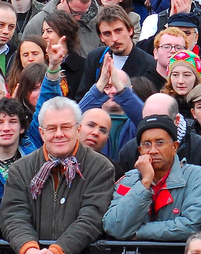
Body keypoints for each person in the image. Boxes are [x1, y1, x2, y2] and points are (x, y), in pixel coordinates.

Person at [1, 97, 116, 254]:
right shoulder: (20, 169)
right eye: (51, 128)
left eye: (66, 127)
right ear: (41, 132)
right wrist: (29, 248)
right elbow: (13, 215)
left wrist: (58, 250)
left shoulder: (101, 167)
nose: (59, 134)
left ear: (78, 129)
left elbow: (92, 218)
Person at [102, 114, 201, 240]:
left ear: (174, 147)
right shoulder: (128, 180)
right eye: (147, 144)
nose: (153, 150)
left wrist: (138, 233)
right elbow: (113, 227)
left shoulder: (196, 176)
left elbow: (192, 225)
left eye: (160, 143)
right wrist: (145, 183)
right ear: (140, 150)